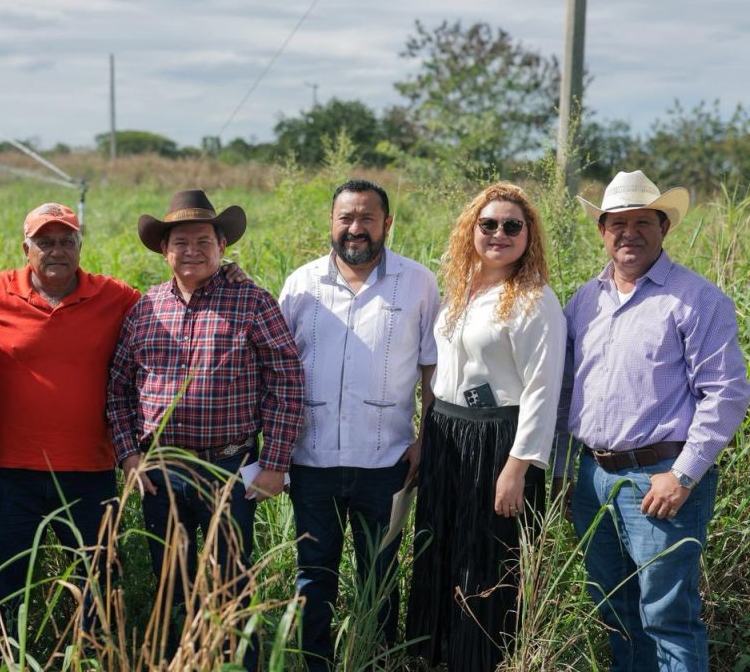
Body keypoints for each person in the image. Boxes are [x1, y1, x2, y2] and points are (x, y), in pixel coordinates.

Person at [553, 170, 750, 671]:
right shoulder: (585, 300)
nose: (629, 233)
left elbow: (725, 396)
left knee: (667, 618)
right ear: (602, 231)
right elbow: (566, 389)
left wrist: (683, 476)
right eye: (617, 223)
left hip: (660, 480)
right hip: (594, 478)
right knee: (615, 611)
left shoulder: (696, 299)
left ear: (665, 227)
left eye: (643, 221)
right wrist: (562, 468)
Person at [107, 189, 304, 670]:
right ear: (163, 250)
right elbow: (117, 385)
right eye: (180, 242)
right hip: (162, 470)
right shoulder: (146, 307)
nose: (191, 251)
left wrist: (275, 463)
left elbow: (288, 382)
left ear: (222, 246)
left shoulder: (252, 301)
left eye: (202, 240)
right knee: (170, 581)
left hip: (229, 467)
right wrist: (129, 454)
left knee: (230, 583)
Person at [0, 203, 141, 668]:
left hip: (89, 472)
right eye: (45, 242)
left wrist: (226, 278)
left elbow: (172, 303)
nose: (56, 250)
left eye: (67, 241)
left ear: (80, 247)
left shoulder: (114, 296)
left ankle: (90, 660)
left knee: (96, 581)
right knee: (2, 581)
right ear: (26, 249)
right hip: (8, 470)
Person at [278, 179, 440, 671]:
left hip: (385, 461)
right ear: (331, 222)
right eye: (346, 217)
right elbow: (279, 371)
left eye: (368, 218)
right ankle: (315, 664)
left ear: (387, 224)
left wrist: (424, 439)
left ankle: (375, 661)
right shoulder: (301, 284)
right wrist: (278, 450)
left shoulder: (417, 283)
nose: (356, 228)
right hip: (312, 461)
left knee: (381, 577)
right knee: (314, 577)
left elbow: (433, 368)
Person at [405, 183, 566, 672]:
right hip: (447, 433)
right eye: (488, 224)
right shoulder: (460, 287)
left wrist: (516, 467)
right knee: (443, 549)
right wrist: (424, 434)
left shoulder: (534, 300)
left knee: (486, 561)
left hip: (500, 441)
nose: (499, 233)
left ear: (528, 234)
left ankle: (481, 661)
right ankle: (436, 658)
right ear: (471, 229)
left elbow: (543, 389)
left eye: (512, 226)